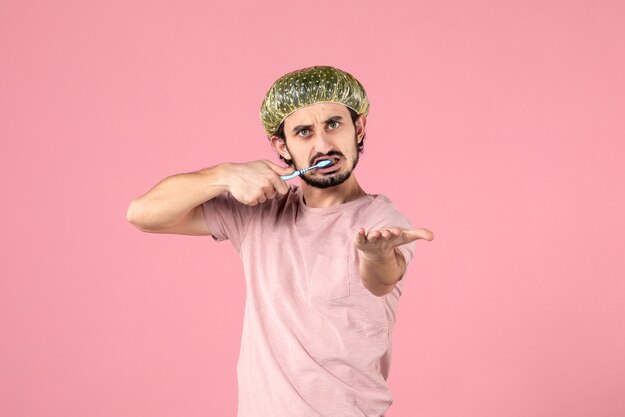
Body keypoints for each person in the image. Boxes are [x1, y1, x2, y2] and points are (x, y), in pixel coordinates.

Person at [127, 65, 434, 417]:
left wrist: (377, 254)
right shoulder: (257, 212)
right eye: (304, 132)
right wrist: (224, 174)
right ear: (281, 147)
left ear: (358, 128)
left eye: (334, 124)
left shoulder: (381, 221)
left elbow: (381, 280)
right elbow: (142, 214)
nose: (323, 145)